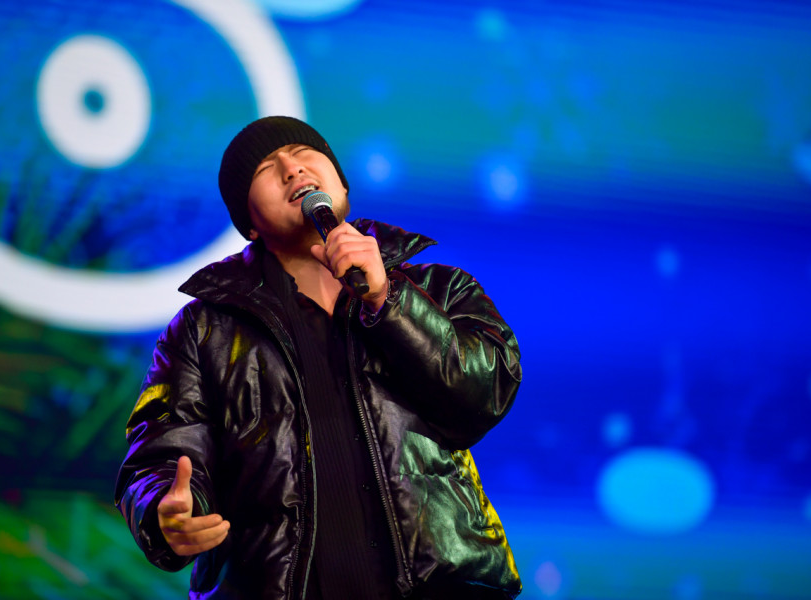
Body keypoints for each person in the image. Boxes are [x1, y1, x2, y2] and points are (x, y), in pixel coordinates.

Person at [115, 116, 523, 599]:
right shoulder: (204, 329)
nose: (292, 169)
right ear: (249, 224)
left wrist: (388, 301)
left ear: (341, 185)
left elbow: (484, 395)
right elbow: (160, 454)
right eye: (266, 168)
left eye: (304, 153)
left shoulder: (440, 288)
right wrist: (163, 512)